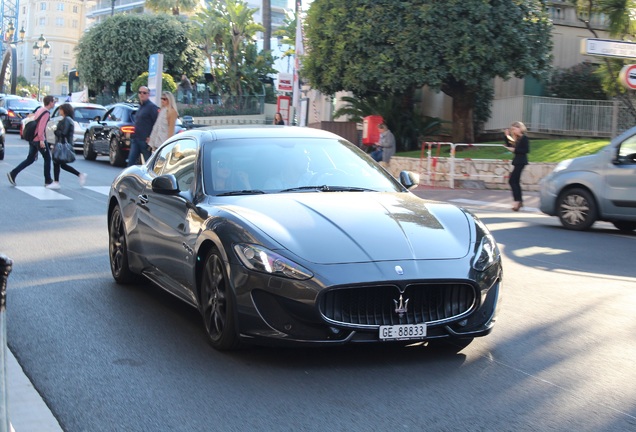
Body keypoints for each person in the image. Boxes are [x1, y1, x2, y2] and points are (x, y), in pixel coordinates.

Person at [7, 95, 56, 187]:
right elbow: (41, 127)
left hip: (33, 138)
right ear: (50, 102)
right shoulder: (46, 113)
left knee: (30, 159)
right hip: (38, 138)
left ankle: (13, 173)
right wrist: (42, 140)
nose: (54, 103)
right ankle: (48, 180)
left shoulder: (40, 110)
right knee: (47, 159)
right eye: (53, 101)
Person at [47, 103, 87, 189]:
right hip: (63, 144)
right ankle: (79, 175)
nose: (59, 111)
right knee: (60, 164)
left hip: (63, 145)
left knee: (57, 162)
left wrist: (55, 131)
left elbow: (63, 133)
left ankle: (56, 182)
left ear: (64, 110)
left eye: (60, 109)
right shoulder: (67, 119)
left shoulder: (67, 120)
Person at [128, 85, 158, 166]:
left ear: (148, 94)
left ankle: (152, 178)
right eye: (140, 92)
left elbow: (156, 124)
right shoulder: (140, 107)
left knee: (149, 165)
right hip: (136, 139)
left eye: (144, 93)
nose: (142, 94)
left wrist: (151, 137)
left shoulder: (152, 107)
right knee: (130, 163)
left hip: (145, 141)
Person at [504, 121, 530, 211]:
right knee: (515, 181)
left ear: (520, 128)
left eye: (514, 129)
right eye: (512, 130)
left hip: (521, 162)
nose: (513, 131)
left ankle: (517, 202)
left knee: (512, 181)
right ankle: (519, 201)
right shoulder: (518, 139)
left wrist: (514, 150)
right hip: (518, 162)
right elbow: (509, 144)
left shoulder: (524, 138)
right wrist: (506, 136)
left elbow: (526, 150)